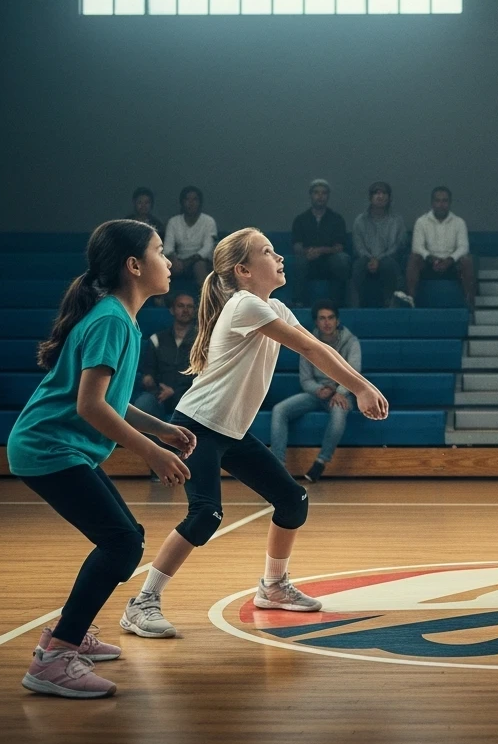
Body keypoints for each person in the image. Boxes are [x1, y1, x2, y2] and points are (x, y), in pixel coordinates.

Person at [119, 228, 389, 639]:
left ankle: (273, 587)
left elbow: (321, 346)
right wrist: (361, 387)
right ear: (244, 271)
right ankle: (142, 603)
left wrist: (359, 382)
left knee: (293, 500)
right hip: (197, 426)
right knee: (206, 514)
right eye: (268, 252)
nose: (279, 256)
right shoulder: (244, 305)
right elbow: (312, 351)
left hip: (230, 430)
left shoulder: (274, 306)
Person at [7, 220, 196, 698]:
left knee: (126, 538)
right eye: (160, 251)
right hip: (48, 447)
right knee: (121, 544)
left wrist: (163, 429)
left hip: (59, 447)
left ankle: (64, 636)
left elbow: (108, 399)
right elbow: (89, 406)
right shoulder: (112, 319)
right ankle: (54, 659)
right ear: (134, 266)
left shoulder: (120, 319)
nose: (169, 260)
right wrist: (152, 453)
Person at [270, 300, 363, 483]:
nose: (327, 322)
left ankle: (320, 462)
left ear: (337, 320)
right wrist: (318, 389)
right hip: (317, 393)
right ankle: (278, 467)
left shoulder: (351, 342)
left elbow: (355, 372)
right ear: (316, 322)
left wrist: (340, 391)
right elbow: (305, 379)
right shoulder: (308, 343)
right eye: (322, 318)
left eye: (330, 318)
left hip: (341, 392)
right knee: (280, 410)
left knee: (338, 412)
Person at [396, 186, 477, 314]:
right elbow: (417, 247)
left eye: (445, 201)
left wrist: (450, 260)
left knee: (467, 260)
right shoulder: (421, 222)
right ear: (432, 203)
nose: (441, 204)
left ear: (450, 203)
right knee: (413, 258)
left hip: (452, 265)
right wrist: (431, 258)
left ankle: (470, 305)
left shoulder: (459, 222)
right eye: (437, 201)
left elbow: (463, 247)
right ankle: (411, 302)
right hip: (428, 264)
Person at [131, 292, 197, 421]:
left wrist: (175, 391)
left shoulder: (202, 341)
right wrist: (148, 379)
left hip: (190, 397)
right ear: (172, 310)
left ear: (194, 311)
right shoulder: (157, 339)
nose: (185, 310)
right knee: (142, 404)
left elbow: (203, 375)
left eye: (189, 307)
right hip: (159, 395)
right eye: (180, 306)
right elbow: (149, 369)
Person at [290, 178, 351, 308]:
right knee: (298, 261)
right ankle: (298, 303)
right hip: (309, 261)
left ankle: (338, 304)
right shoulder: (301, 220)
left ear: (328, 196)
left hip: (330, 262)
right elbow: (297, 246)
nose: (320, 196)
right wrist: (308, 252)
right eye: (316, 193)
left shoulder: (336, 219)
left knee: (341, 260)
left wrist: (320, 251)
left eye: (324, 193)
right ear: (311, 195)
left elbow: (339, 246)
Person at [351, 181, 407, 308]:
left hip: (389, 259)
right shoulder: (360, 221)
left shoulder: (397, 221)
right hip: (366, 259)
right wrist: (371, 259)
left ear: (389, 198)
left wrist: (379, 260)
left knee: (388, 264)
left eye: (384, 193)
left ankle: (390, 303)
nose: (380, 196)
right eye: (376, 193)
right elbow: (358, 246)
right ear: (370, 198)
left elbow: (398, 246)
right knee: (358, 266)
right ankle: (358, 306)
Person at [163, 186, 216, 286]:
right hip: (179, 260)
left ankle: (206, 299)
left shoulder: (208, 221)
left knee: (199, 266)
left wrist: (190, 260)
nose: (191, 203)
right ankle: (162, 299)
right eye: (187, 199)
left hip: (201, 260)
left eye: (194, 199)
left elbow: (207, 248)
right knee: (167, 266)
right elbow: (167, 248)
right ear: (182, 202)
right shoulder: (173, 222)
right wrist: (174, 258)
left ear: (200, 202)